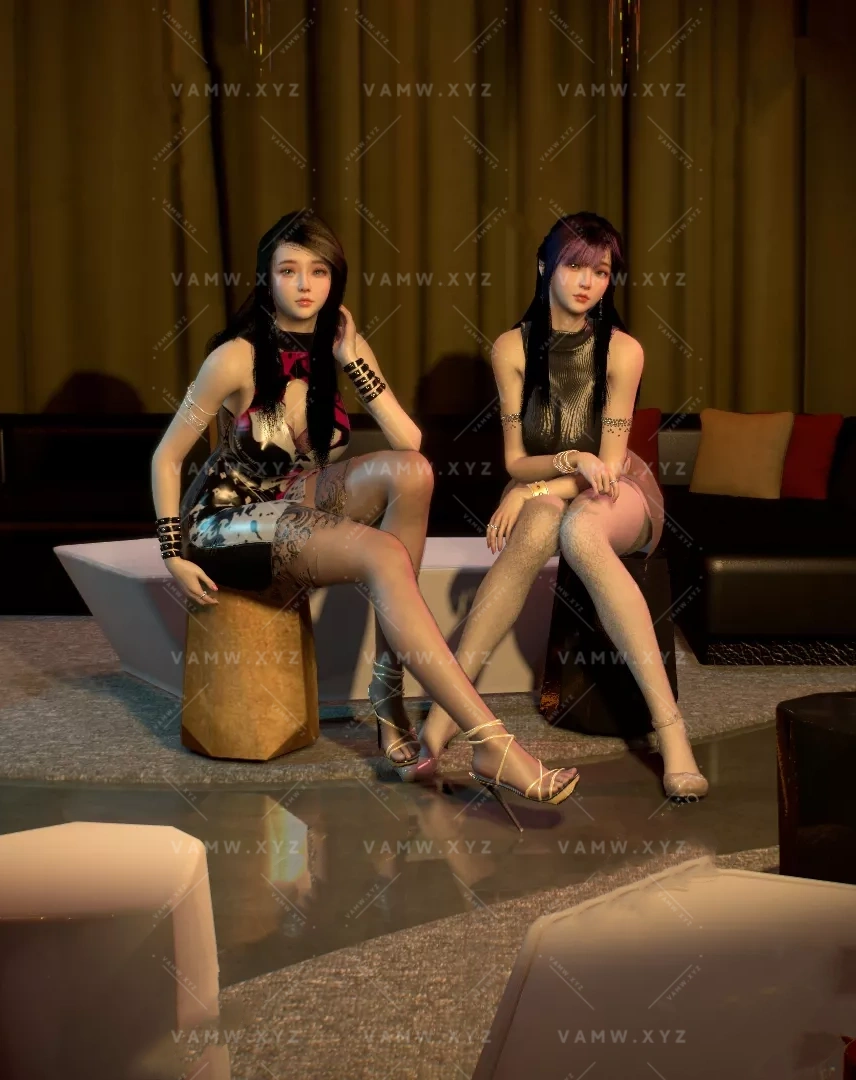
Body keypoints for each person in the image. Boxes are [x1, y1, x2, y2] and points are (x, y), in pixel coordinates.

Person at [151, 209, 580, 828]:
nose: (305, 285)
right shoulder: (235, 358)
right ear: (266, 278)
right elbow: (166, 457)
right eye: (288, 271)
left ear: (336, 280)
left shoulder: (338, 345)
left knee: (413, 473)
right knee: (383, 554)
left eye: (319, 272)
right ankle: (489, 740)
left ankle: (386, 688)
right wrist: (172, 551)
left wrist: (351, 358)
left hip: (293, 500)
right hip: (226, 519)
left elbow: (411, 442)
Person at [414, 212, 708, 801]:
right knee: (538, 531)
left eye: (601, 271)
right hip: (557, 484)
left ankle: (672, 733)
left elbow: (610, 467)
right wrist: (549, 475)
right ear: (545, 266)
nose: (587, 282)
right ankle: (446, 717)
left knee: (580, 531)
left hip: (621, 493)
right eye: (575, 266)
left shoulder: (622, 351)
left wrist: (532, 489)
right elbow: (517, 460)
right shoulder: (511, 349)